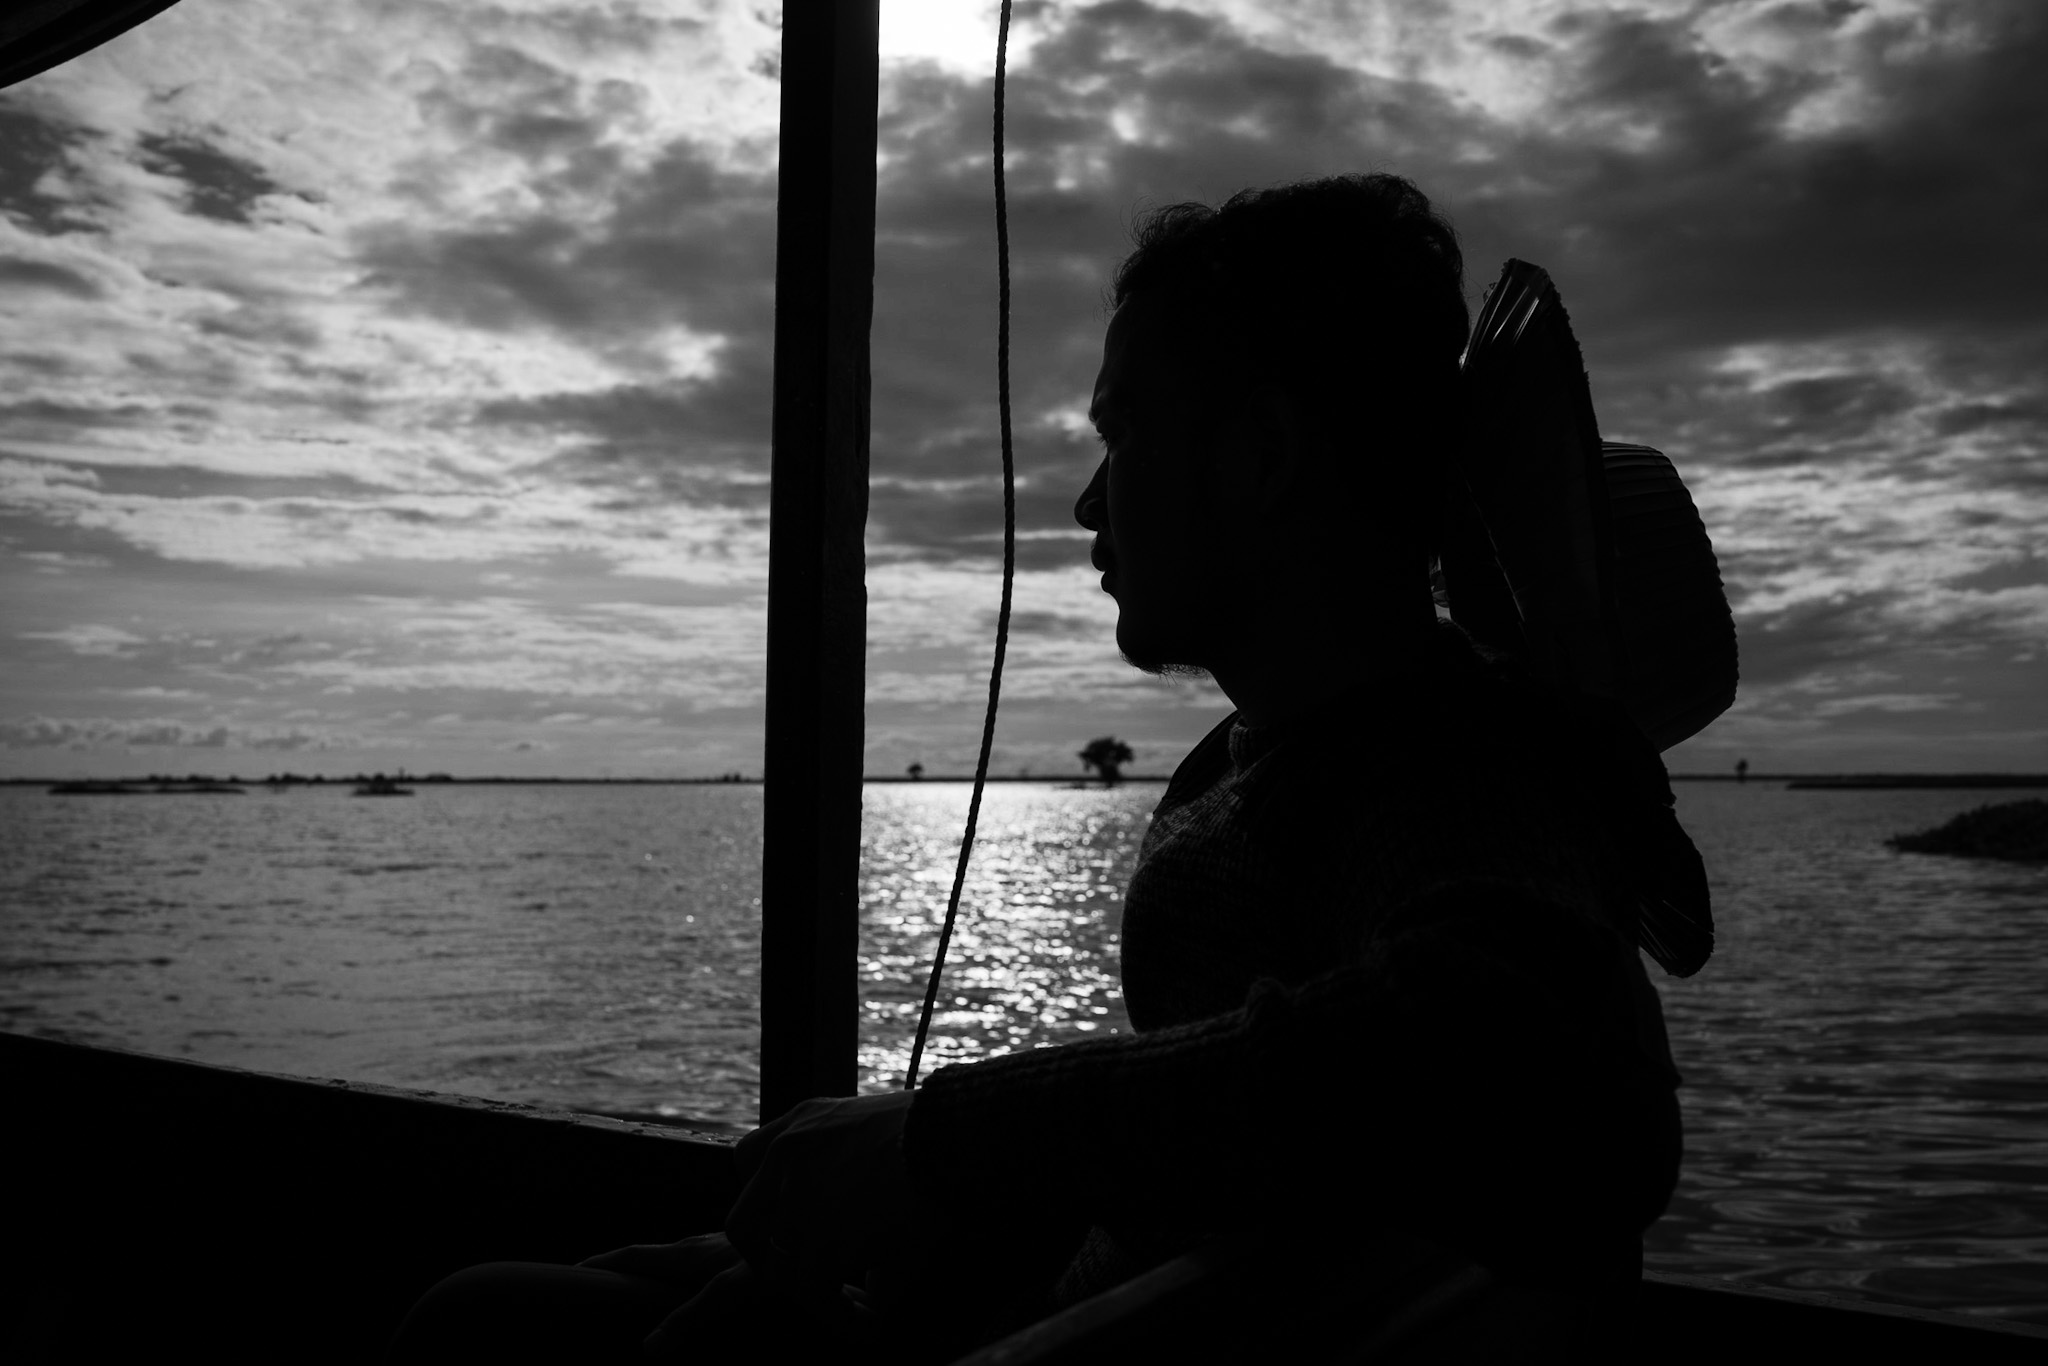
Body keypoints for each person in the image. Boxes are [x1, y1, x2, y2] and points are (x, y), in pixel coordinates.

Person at [390, 172, 1701, 1362]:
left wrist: (942, 1141)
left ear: (1260, 457)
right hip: (1039, 1298)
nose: (1085, 501)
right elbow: (1231, 1157)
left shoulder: (1444, 766)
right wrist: (957, 1215)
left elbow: (1517, 1061)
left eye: (1122, 434)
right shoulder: (1287, 756)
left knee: (478, 1324)